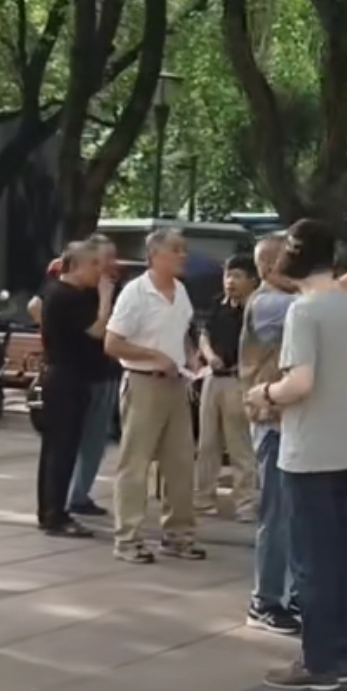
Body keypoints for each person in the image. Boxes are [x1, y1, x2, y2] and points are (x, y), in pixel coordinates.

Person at [240, 237, 347, 637]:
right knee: (279, 518)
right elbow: (327, 298)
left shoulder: (305, 305)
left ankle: (301, 598)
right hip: (275, 426)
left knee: (303, 524)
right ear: (269, 267)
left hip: (300, 427)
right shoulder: (270, 304)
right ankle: (265, 601)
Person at [105, 227, 205, 566]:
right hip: (143, 383)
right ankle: (128, 539)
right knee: (135, 464)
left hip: (177, 385)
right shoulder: (136, 293)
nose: (182, 255)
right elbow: (112, 343)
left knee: (180, 463)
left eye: (183, 248)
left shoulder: (181, 291)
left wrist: (189, 356)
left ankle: (178, 535)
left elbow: (183, 332)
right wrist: (153, 356)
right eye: (175, 249)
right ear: (154, 255)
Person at [37, 241, 113, 538]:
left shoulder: (68, 293)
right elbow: (97, 330)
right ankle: (55, 514)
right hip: (65, 379)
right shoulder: (64, 295)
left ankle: (51, 511)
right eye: (94, 264)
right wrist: (105, 299)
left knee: (59, 448)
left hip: (73, 377)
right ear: (77, 265)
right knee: (61, 449)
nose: (99, 270)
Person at [195, 256, 260, 521]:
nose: (230, 282)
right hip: (213, 377)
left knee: (239, 446)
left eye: (237, 276)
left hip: (239, 381)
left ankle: (245, 502)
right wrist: (209, 356)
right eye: (227, 276)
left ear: (252, 280)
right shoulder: (217, 304)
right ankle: (203, 498)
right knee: (207, 444)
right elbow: (204, 335)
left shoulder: (256, 309)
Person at [68, 234, 122, 516]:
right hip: (83, 372)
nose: (111, 263)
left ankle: (80, 493)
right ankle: (72, 495)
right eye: (104, 258)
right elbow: (37, 305)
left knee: (96, 439)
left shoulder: (114, 287)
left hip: (107, 370)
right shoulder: (80, 290)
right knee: (79, 438)